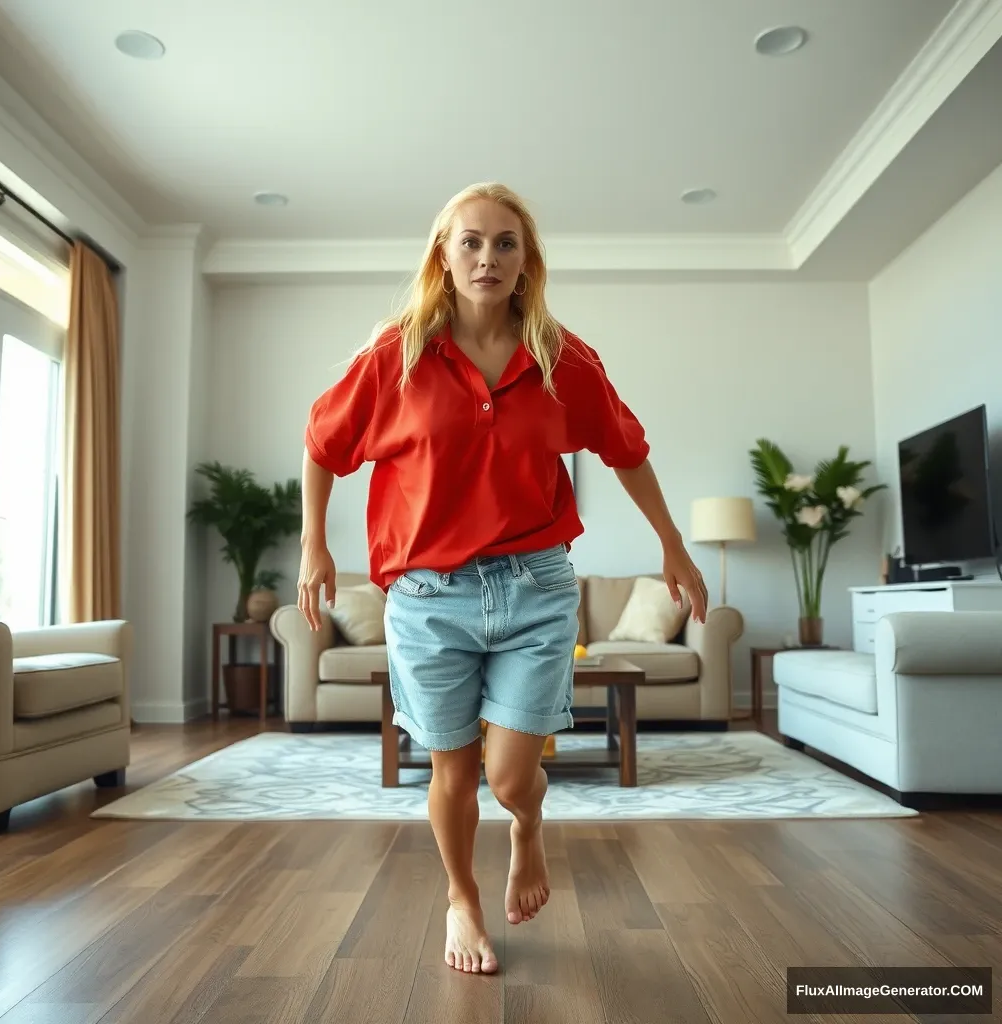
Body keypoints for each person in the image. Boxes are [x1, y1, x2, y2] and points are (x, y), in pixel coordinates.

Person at [297, 182, 708, 975]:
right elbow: (321, 444)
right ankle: (463, 900)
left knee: (512, 774)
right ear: (443, 259)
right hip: (426, 596)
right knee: (450, 768)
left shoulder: (563, 358)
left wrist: (673, 545)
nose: (488, 256)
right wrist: (314, 542)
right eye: (471, 241)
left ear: (527, 262)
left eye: (506, 243)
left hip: (535, 588)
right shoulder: (397, 355)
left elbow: (626, 451)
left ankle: (526, 828)